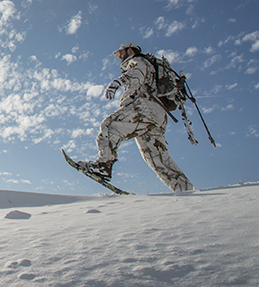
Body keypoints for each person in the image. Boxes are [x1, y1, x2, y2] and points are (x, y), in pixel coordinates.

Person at [77, 42, 194, 193]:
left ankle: (103, 166)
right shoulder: (149, 65)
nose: (120, 57)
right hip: (157, 115)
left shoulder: (138, 61)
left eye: (121, 53)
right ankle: (185, 189)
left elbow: (136, 74)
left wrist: (118, 82)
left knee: (110, 126)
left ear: (130, 50)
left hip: (145, 108)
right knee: (157, 158)